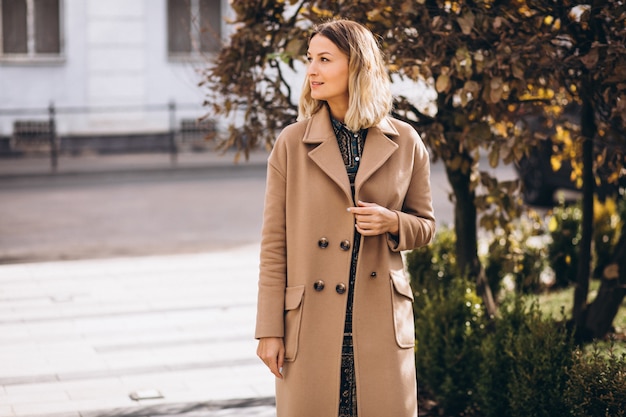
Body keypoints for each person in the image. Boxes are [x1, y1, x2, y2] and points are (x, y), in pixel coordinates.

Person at [255, 19, 436, 417]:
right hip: (312, 322)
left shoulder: (405, 141)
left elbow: (425, 225)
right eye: (309, 60)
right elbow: (274, 244)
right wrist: (269, 329)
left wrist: (393, 222)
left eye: (324, 59)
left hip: (379, 320)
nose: (312, 70)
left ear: (357, 66)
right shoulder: (291, 143)